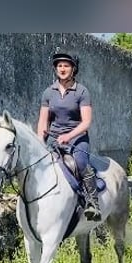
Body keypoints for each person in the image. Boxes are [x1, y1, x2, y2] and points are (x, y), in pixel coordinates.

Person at [37, 52, 101, 221]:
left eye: (66, 65)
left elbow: (86, 122)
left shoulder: (82, 91)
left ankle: (93, 203)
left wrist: (69, 135)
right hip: (53, 138)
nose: (62, 69)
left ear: (73, 69)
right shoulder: (48, 93)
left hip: (77, 137)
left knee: (80, 163)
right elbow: (43, 122)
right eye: (59, 66)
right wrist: (39, 142)